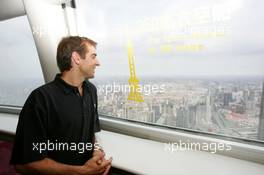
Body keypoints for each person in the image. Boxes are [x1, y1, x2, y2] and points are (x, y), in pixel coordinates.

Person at [10, 36, 112, 175]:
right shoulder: (41, 99)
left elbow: (90, 135)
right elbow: (23, 164)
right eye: (93, 56)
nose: (98, 63)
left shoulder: (90, 91)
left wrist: (96, 153)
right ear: (76, 58)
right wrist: (80, 172)